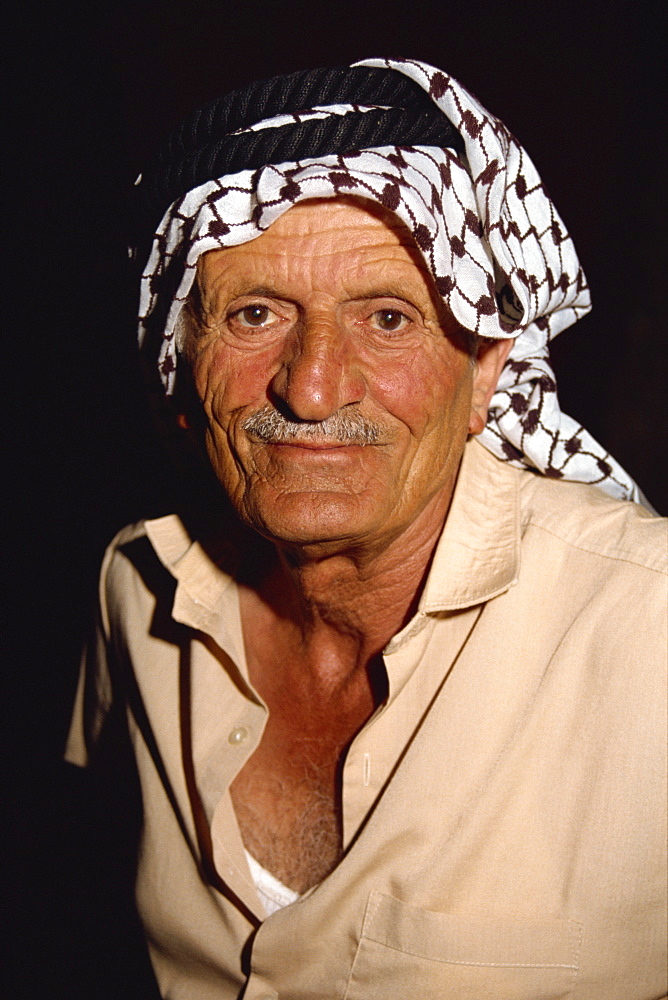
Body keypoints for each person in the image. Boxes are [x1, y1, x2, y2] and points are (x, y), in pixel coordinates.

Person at [65, 58, 667, 999]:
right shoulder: (135, 587)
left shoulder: (649, 634)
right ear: (181, 371)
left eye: (388, 319)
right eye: (254, 314)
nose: (310, 388)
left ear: (486, 376)